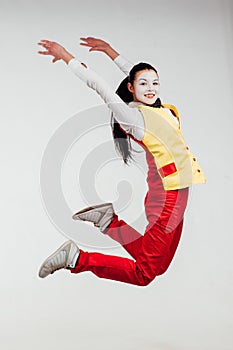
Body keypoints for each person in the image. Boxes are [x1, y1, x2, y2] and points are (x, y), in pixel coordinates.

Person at [37, 37, 206, 286]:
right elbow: (99, 85)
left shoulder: (160, 108)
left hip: (178, 195)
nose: (150, 88)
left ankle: (108, 221)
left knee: (158, 267)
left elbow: (136, 73)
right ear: (130, 88)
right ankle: (76, 258)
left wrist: (109, 52)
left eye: (155, 83)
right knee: (145, 273)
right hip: (166, 198)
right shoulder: (133, 119)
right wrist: (66, 56)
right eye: (143, 84)